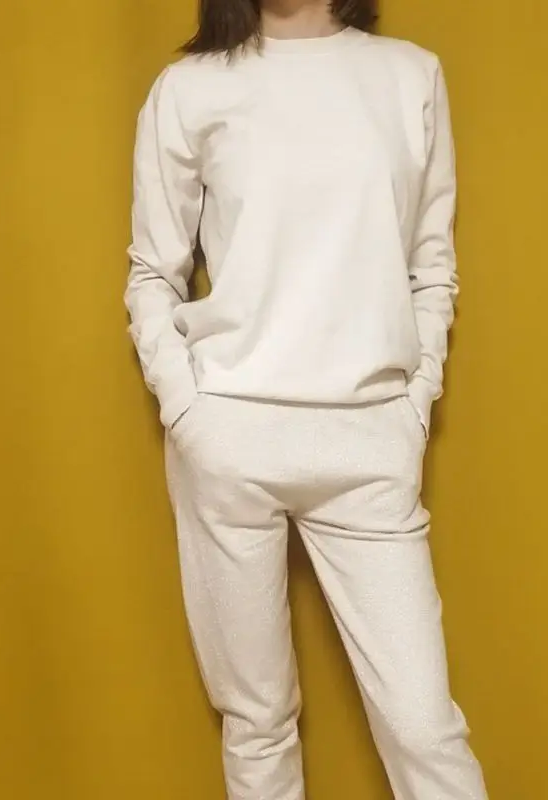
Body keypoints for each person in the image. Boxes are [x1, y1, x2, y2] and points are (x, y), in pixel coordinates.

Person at [125, 0, 490, 797]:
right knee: (257, 722)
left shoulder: (409, 77)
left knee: (424, 727)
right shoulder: (191, 87)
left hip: (369, 441)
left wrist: (414, 399)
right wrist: (189, 411)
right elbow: (153, 271)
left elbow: (431, 267)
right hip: (229, 437)